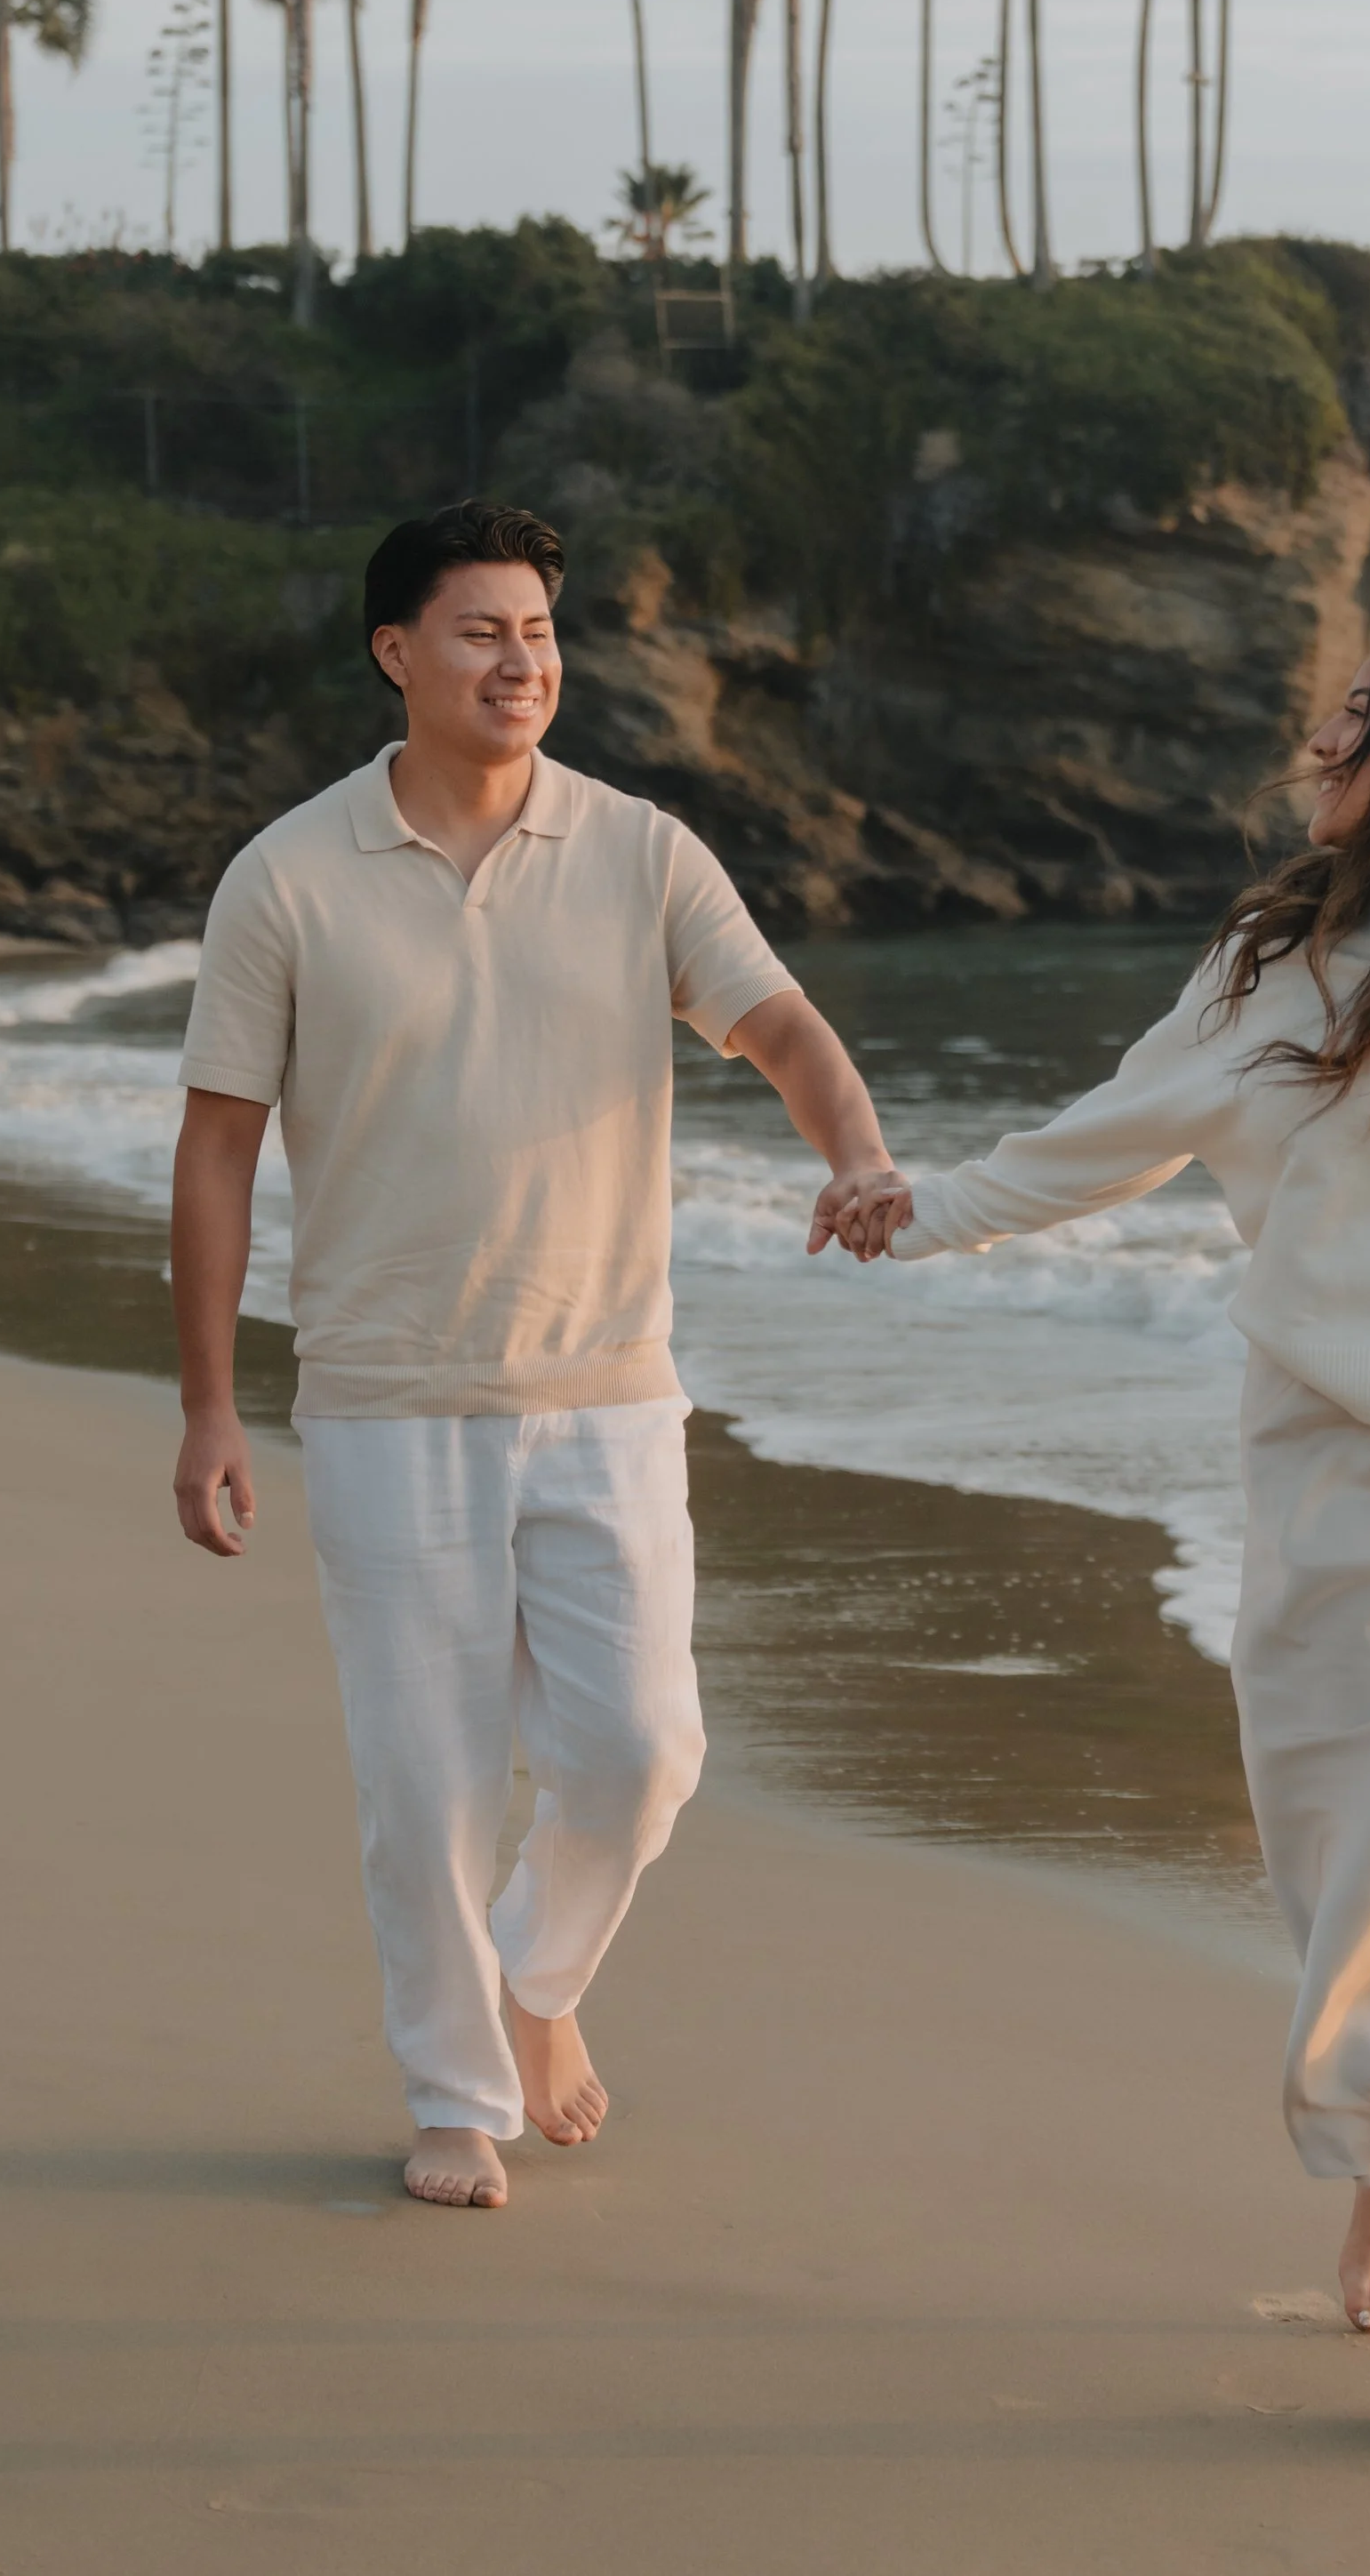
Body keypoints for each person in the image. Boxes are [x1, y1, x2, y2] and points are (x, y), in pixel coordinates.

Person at [821, 622, 1370, 2476]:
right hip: (1338, 1501)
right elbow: (1104, 1143)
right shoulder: (1274, 967)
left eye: (1360, 718)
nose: (1319, 737)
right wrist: (909, 1212)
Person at [170, 498, 902, 2211]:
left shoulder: (642, 850)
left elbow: (778, 1020)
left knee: (645, 1751)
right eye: (486, 630)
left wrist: (852, 1145)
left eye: (544, 634)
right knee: (424, 1779)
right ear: (396, 651)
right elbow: (216, 1148)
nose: (525, 661)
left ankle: (543, 1981)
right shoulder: (287, 874)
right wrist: (209, 1402)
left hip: (610, 1389)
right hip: (387, 1397)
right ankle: (453, 2089)